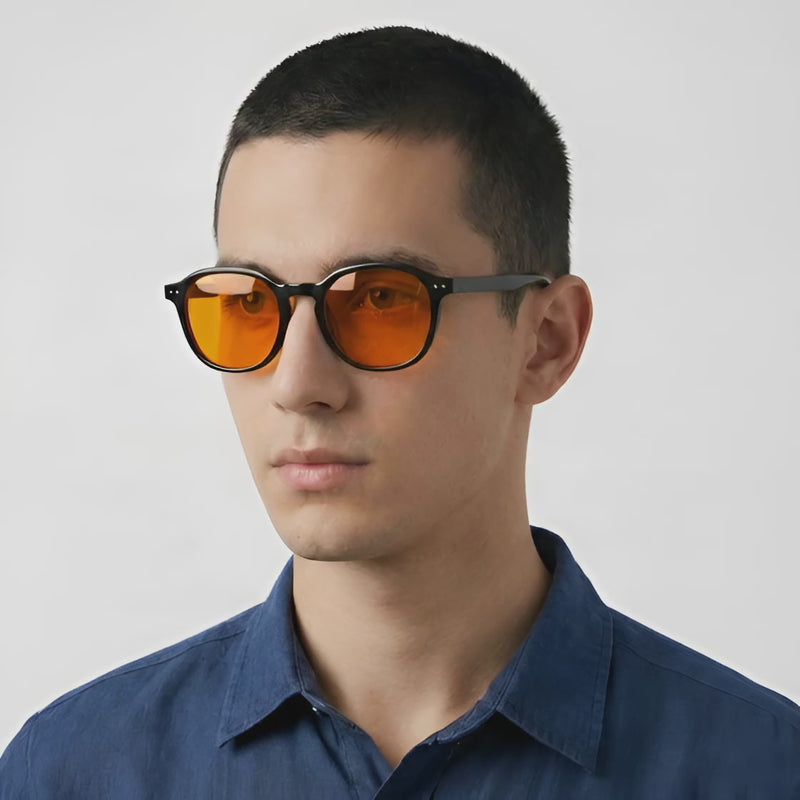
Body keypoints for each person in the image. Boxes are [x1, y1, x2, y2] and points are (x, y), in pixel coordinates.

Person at [1, 24, 798, 799]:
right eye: (248, 302)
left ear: (546, 341)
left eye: (380, 299)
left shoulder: (762, 772)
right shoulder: (70, 773)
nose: (297, 383)